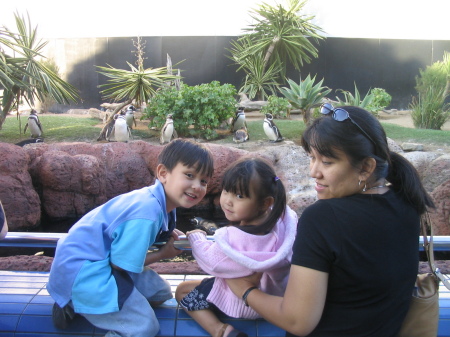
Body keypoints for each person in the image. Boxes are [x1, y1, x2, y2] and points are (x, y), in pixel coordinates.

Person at [225, 104, 435, 336]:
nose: (314, 171)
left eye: (327, 162)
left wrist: (245, 290)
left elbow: (297, 321)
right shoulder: (407, 202)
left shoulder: (324, 218)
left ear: (366, 167)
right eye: (312, 158)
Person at [47, 139, 214, 337]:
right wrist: (163, 254)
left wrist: (169, 232)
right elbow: (121, 265)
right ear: (163, 173)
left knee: (161, 293)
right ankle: (74, 301)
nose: (197, 186)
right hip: (85, 273)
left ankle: (83, 304)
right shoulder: (147, 212)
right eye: (189, 175)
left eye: (203, 181)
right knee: (145, 328)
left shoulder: (156, 202)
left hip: (98, 261)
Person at [175, 157, 298, 337]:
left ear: (265, 203)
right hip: (273, 300)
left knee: (182, 291)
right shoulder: (283, 222)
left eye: (239, 196)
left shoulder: (234, 238)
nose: (227, 201)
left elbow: (211, 261)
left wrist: (196, 238)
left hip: (244, 302)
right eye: (226, 191)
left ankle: (220, 331)